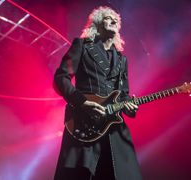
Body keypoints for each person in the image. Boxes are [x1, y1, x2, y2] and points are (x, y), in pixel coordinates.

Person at [53, 6, 142, 180]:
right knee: (80, 174)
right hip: (84, 123)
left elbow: (123, 94)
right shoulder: (82, 46)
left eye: (116, 19)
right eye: (108, 18)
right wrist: (82, 102)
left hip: (113, 126)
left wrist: (129, 108)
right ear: (97, 24)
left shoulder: (122, 59)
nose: (114, 20)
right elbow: (60, 78)